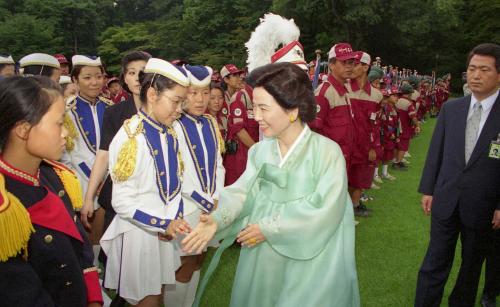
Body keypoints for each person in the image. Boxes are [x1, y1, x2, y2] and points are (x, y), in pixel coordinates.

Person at [182, 62, 360, 307]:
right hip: (263, 250)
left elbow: (326, 209)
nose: (256, 117)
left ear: (292, 110)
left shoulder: (327, 153)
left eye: (263, 108)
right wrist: (217, 218)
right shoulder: (260, 151)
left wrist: (269, 228)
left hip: (312, 254)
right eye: (254, 107)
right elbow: (242, 192)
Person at [0, 76, 102, 307]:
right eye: (59, 123)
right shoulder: (5, 206)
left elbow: (80, 247)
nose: (66, 133)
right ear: (24, 130)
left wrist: (93, 298)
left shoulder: (54, 176)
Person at [100, 58, 192, 306]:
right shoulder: (131, 137)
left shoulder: (168, 132)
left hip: (163, 231)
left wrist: (174, 220)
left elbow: (174, 185)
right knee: (146, 299)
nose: (180, 109)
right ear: (152, 94)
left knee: (158, 293)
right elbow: (121, 201)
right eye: (175, 101)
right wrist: (162, 223)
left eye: (182, 102)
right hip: (139, 233)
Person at [415, 43, 500, 307]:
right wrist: (429, 189)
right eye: (472, 69)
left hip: (483, 206)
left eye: (484, 69)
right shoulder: (452, 109)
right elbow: (436, 152)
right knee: (434, 261)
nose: (476, 75)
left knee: (471, 266)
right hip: (445, 198)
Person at [79, 51, 151, 307]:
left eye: (142, 72)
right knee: (118, 265)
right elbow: (103, 155)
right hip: (118, 199)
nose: (137, 78)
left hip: (153, 201)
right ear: (124, 78)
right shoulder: (115, 113)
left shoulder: (166, 111)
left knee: (149, 271)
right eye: (131, 73)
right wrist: (89, 197)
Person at [166, 64, 225, 307]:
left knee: (199, 259)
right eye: (193, 93)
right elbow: (178, 173)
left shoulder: (210, 123)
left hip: (210, 205)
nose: (201, 99)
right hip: (186, 208)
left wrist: (217, 196)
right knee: (185, 263)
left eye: (205, 92)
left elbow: (218, 165)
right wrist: (205, 201)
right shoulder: (173, 125)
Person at [62, 55, 112, 265]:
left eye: (99, 77)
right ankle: (91, 273)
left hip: (111, 178)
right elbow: (67, 154)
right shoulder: (67, 110)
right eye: (87, 77)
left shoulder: (110, 107)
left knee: (106, 231)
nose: (94, 82)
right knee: (86, 233)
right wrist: (93, 179)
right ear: (75, 80)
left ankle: (101, 270)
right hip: (80, 181)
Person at [347, 51, 383, 215]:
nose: (350, 67)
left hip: (365, 145)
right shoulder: (343, 89)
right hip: (346, 144)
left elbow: (376, 124)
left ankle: (354, 207)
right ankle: (344, 209)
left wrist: (374, 147)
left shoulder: (377, 95)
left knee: (361, 178)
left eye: (355, 64)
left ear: (365, 67)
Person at [221, 64, 258, 185]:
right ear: (226, 79)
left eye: (239, 74)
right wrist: (257, 150)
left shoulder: (248, 95)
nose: (238, 78)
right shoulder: (237, 98)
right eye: (234, 75)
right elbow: (238, 130)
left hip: (247, 151)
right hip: (238, 152)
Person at [393, 83, 420, 170]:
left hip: (396, 126)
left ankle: (395, 161)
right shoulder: (408, 103)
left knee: (397, 145)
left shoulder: (397, 100)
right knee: (403, 146)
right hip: (405, 127)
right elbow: (413, 116)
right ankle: (398, 162)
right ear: (409, 93)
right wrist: (417, 125)